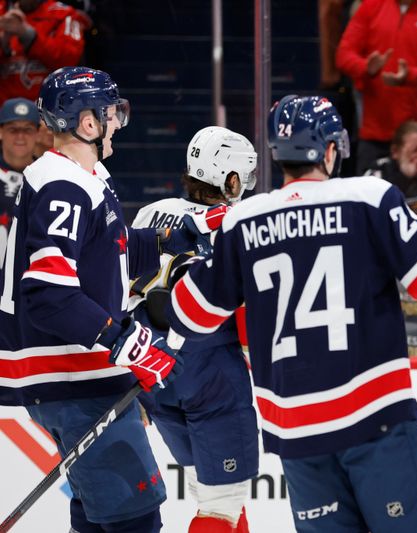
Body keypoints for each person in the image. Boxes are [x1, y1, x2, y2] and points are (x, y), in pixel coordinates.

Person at [165, 94, 417, 533]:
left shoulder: (242, 220)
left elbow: (188, 315)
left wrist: (194, 253)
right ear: (330, 150)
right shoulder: (367, 198)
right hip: (373, 421)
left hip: (297, 435)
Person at [0, 67, 182, 531]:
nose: (117, 121)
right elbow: (48, 293)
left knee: (95, 515)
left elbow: (106, 256)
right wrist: (122, 338)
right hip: (72, 376)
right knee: (134, 521)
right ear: (87, 123)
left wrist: (169, 239)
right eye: (111, 112)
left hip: (69, 377)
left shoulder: (78, 176)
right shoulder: (65, 186)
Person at [130, 126, 259, 532]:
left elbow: (122, 289)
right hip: (210, 367)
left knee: (223, 496)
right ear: (231, 179)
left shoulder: (151, 212)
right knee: (221, 503)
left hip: (152, 368)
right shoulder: (238, 221)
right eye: (246, 176)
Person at [335, 0, 417, 174]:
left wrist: (412, 76)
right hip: (376, 133)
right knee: (368, 198)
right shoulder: (370, 6)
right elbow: (344, 55)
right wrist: (366, 67)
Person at [0, 0, 90, 103]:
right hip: (4, 107)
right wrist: (3, 40)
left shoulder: (64, 14)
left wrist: (28, 35)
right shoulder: (2, 11)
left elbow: (70, 60)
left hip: (50, 105)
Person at [0, 97, 38, 258]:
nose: (20, 137)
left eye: (27, 129)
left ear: (37, 133)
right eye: (13, 129)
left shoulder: (48, 177)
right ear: (1, 132)